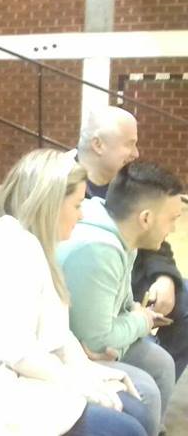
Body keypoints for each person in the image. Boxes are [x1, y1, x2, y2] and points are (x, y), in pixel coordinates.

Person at [0, 149, 151, 436]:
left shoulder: (30, 242)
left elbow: (57, 337)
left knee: (135, 410)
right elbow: (18, 352)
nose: (81, 215)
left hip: (4, 380)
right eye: (77, 205)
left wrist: (88, 372)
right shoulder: (16, 247)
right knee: (126, 429)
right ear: (50, 204)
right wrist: (79, 382)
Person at [59, 162, 184, 432]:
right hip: (66, 350)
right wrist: (142, 321)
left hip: (95, 337)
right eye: (172, 219)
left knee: (162, 363)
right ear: (146, 218)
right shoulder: (98, 251)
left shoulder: (121, 234)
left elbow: (121, 308)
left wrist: (137, 316)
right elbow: (97, 343)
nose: (173, 229)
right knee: (146, 390)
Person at [77, 106, 187, 382]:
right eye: (130, 143)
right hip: (86, 292)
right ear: (98, 145)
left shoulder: (129, 180)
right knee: (144, 374)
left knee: (184, 303)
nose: (136, 153)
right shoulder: (59, 183)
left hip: (128, 286)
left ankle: (153, 372)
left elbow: (155, 236)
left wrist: (165, 277)